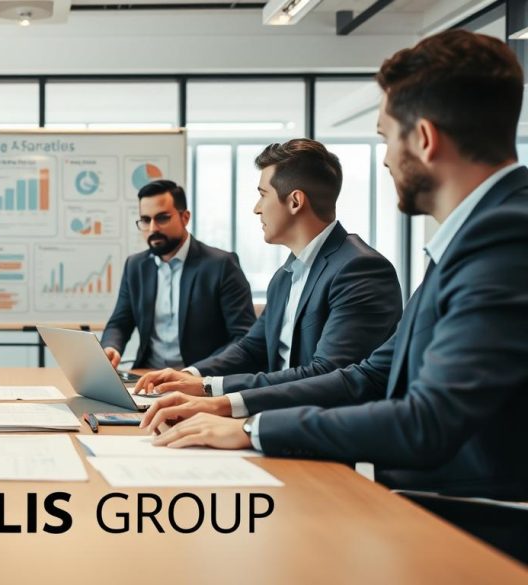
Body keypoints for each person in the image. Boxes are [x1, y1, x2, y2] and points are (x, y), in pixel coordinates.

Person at [141, 30, 528, 528]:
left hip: (475, 519)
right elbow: (369, 374)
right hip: (421, 495)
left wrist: (254, 428)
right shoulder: (475, 234)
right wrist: (224, 404)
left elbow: (427, 420)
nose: (386, 158)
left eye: (387, 137)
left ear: (426, 139)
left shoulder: (504, 237)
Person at [133, 139, 402, 414]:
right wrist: (192, 376)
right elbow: (252, 348)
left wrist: (216, 397)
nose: (256, 208)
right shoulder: (285, 276)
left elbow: (327, 375)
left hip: (318, 434)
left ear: (295, 201)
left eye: (263, 194)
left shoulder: (360, 270)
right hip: (277, 418)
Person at [100, 180, 255, 370]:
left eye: (162, 218)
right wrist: (111, 347)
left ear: (185, 217)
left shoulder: (221, 265)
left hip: (200, 378)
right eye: (146, 220)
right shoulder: (136, 266)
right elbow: (119, 323)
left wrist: (195, 373)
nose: (153, 229)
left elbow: (243, 336)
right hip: (147, 377)